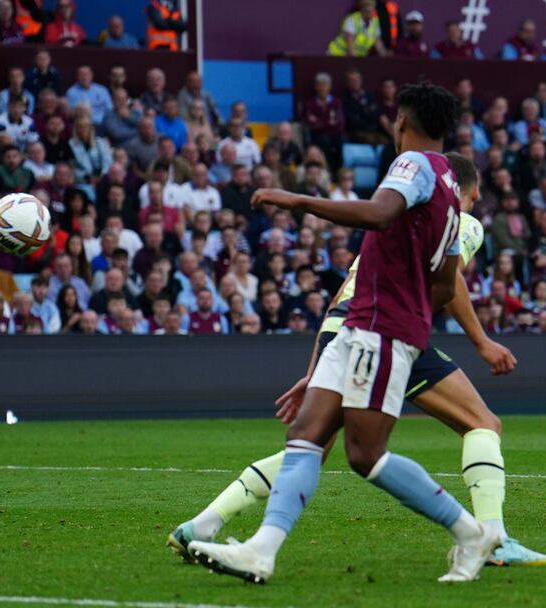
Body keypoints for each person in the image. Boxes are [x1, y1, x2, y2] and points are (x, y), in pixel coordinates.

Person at [186, 83, 508, 584]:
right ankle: (260, 551)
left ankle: (471, 532)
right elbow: (446, 282)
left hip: (380, 328)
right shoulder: (450, 188)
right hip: (367, 324)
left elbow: (379, 214)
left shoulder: (414, 166)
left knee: (365, 455)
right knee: (305, 437)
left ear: (401, 122)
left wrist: (298, 200)